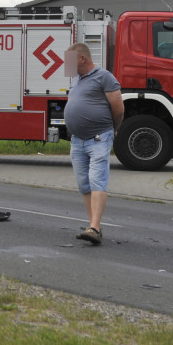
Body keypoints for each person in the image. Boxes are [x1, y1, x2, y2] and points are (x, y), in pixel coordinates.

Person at [63, 43, 123, 245]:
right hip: (77, 140)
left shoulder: (104, 77)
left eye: (69, 60)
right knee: (84, 184)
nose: (66, 64)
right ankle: (92, 226)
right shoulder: (75, 79)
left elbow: (118, 107)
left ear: (82, 59)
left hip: (98, 138)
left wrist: (113, 129)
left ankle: (95, 227)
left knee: (97, 180)